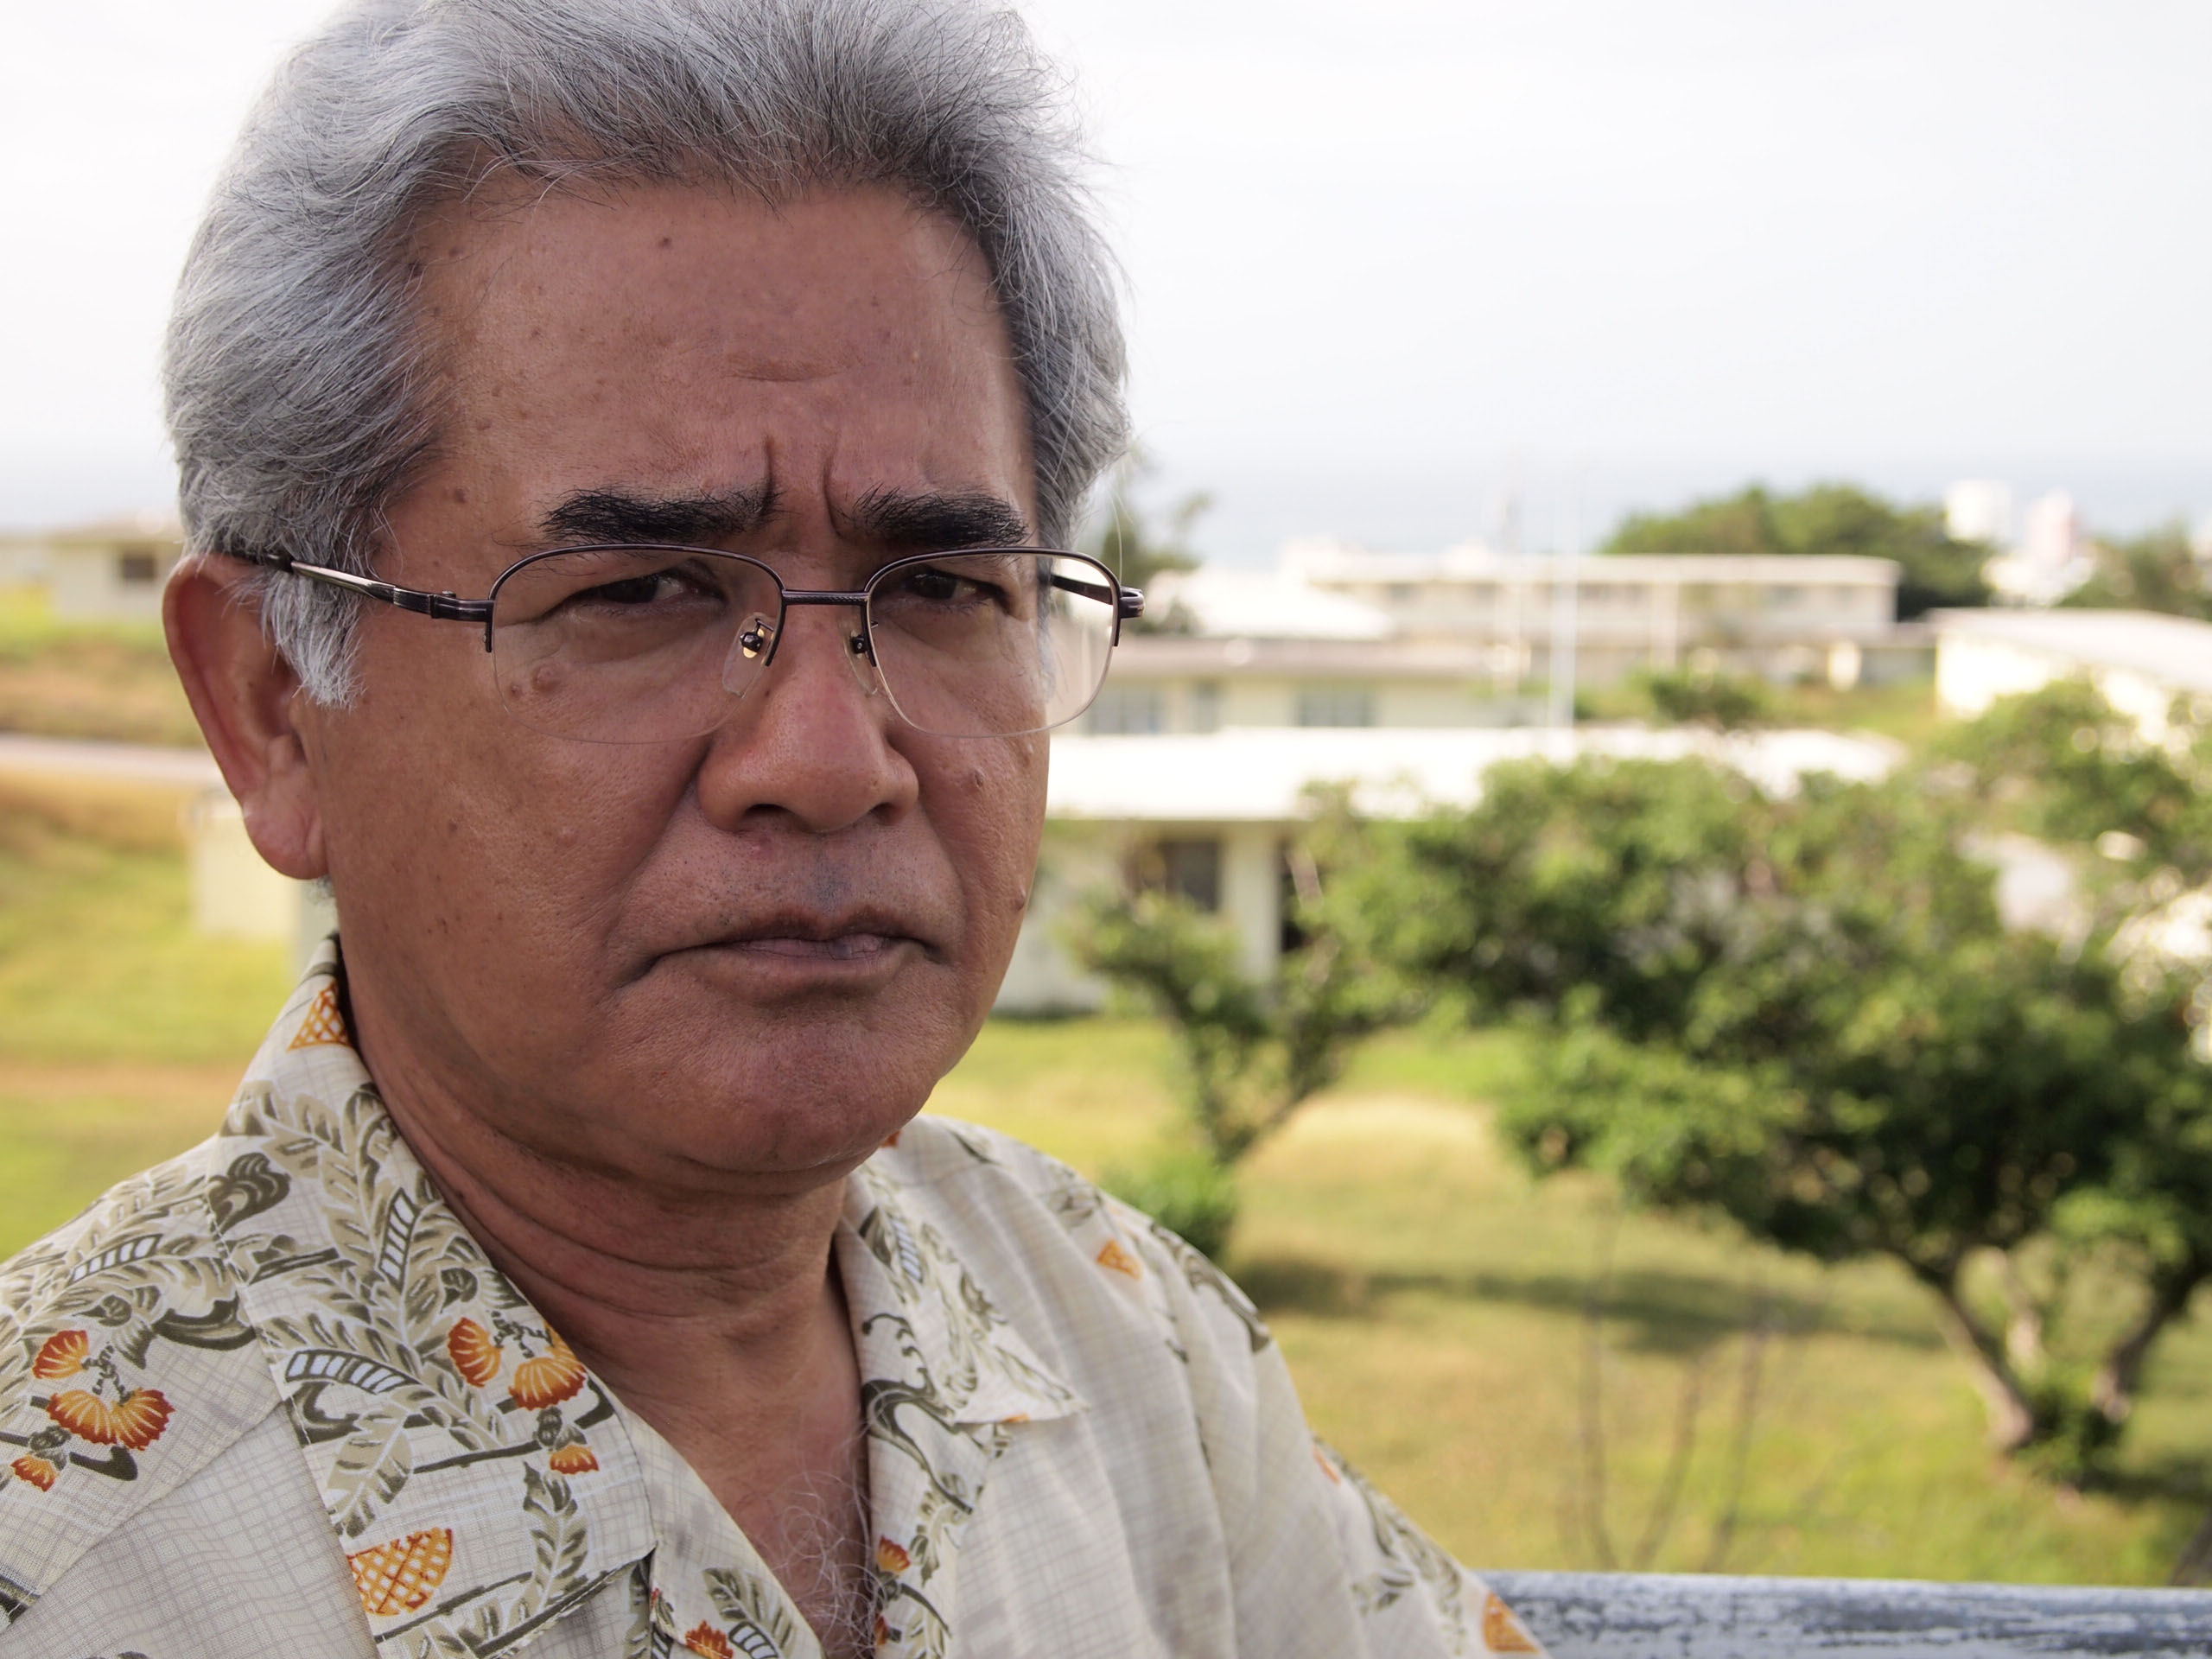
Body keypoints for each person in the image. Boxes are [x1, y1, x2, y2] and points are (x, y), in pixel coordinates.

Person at [0, 2, 1546, 1654]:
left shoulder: (1121, 1341)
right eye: (643, 592)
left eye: (946, 587)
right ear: (269, 707)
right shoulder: (65, 1548)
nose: (827, 758)